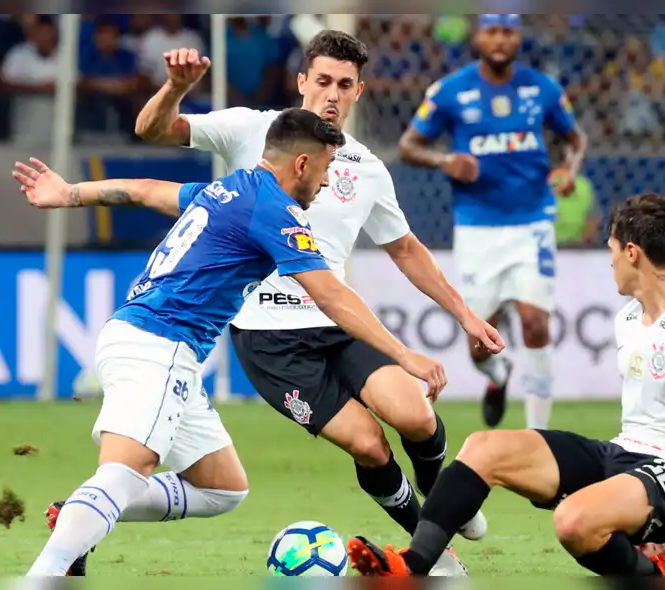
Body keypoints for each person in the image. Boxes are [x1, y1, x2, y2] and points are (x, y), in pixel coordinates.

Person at [16, 108, 448, 577]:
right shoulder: (274, 210)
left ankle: (83, 514)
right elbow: (331, 296)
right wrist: (403, 355)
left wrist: (70, 193)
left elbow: (144, 190)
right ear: (301, 165)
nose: (325, 184)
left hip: (147, 341)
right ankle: (46, 572)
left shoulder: (231, 187)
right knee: (124, 471)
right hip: (160, 344)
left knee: (222, 488)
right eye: (324, 171)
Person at [130, 30, 499, 572]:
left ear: (359, 92)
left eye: (344, 85)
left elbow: (405, 249)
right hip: (269, 340)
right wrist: (173, 89)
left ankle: (441, 491)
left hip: (337, 322)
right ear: (301, 82)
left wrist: (465, 314)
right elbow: (153, 130)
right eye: (322, 81)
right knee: (370, 445)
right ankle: (432, 547)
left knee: (415, 416)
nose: (332, 93)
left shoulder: (366, 167)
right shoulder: (253, 130)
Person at [345, 193, 665, 578]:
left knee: (573, 522)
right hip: (625, 455)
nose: (609, 262)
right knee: (484, 447)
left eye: (612, 250)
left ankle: (654, 577)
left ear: (632, 252)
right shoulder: (629, 317)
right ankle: (413, 568)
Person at [398, 14, 588, 430]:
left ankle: (540, 437)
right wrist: (445, 160)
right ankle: (498, 378)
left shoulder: (543, 89)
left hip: (532, 222)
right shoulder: (450, 91)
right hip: (477, 229)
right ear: (478, 35)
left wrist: (570, 171)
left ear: (518, 37)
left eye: (509, 31)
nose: (500, 40)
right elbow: (409, 146)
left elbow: (575, 140)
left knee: (536, 323)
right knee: (481, 343)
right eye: (492, 31)